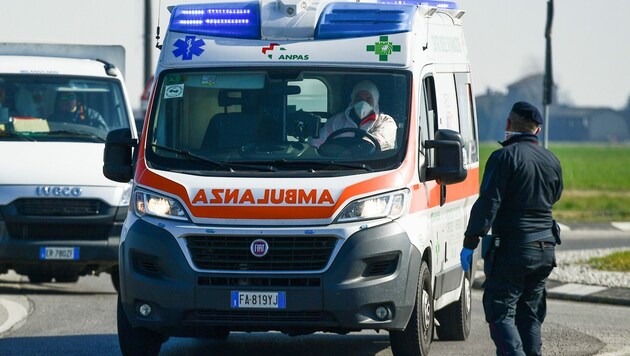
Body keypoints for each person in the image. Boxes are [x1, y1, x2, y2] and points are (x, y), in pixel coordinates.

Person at [460, 101, 563, 356]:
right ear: (537, 130)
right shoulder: (552, 159)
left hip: (514, 250)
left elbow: (488, 204)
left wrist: (470, 242)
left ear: (508, 125)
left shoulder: (503, 157)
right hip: (546, 250)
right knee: (529, 316)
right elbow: (555, 196)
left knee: (500, 311)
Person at [309, 80, 397, 150]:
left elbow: (381, 141)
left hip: (374, 167)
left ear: (375, 101)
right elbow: (317, 143)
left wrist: (354, 149)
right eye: (359, 98)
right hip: (336, 164)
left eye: (369, 99)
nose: (363, 102)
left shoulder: (385, 121)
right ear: (353, 99)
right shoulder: (336, 121)